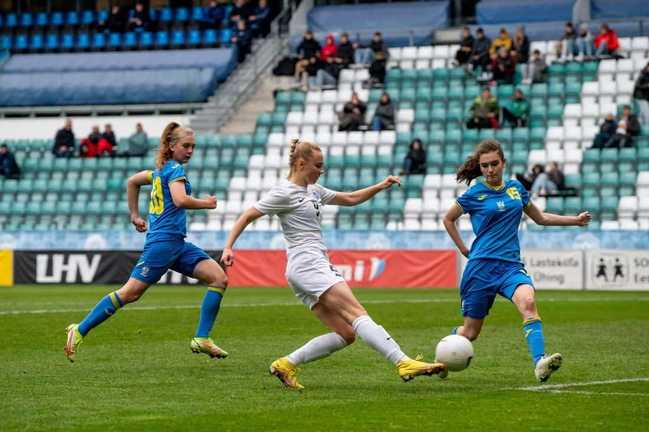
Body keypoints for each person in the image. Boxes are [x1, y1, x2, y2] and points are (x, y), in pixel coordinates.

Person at [220, 138, 446, 389]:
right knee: (356, 313)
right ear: (301, 163)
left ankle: (286, 364)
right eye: (318, 165)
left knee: (346, 333)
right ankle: (402, 361)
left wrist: (381, 186)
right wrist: (229, 246)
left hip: (306, 267)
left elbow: (349, 198)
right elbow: (248, 214)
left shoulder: (313, 191)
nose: (322, 170)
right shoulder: (283, 192)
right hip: (308, 264)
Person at [64, 122, 229, 362]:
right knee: (130, 293)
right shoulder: (173, 170)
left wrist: (134, 215)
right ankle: (79, 329)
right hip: (162, 244)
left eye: (193, 146)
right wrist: (206, 203)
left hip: (177, 243)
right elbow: (180, 200)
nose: (190, 151)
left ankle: (201, 338)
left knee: (219, 277)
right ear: (172, 146)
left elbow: (132, 181)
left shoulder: (159, 171)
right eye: (186, 146)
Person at [442, 139, 591, 382]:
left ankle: (539, 362)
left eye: (494, 164)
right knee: (470, 332)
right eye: (484, 166)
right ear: (479, 167)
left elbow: (540, 218)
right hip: (481, 268)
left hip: (510, 266)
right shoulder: (474, 193)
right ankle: (446, 351)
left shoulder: (516, 189)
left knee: (528, 302)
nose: (490, 170)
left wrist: (574, 220)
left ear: (503, 163)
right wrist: (463, 248)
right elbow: (448, 219)